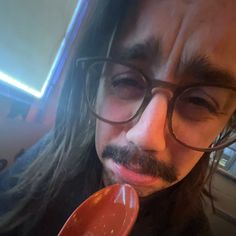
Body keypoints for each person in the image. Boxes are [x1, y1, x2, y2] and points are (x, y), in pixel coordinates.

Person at [0, 0, 236, 235]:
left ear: (227, 121)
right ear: (97, 83)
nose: (146, 137)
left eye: (199, 101)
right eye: (127, 81)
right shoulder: (57, 150)